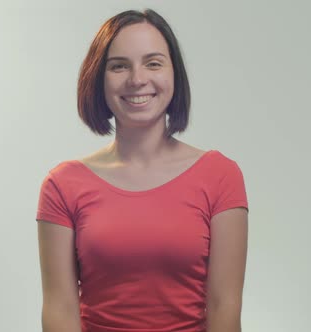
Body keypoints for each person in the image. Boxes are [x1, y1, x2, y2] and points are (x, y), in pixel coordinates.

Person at [36, 8, 249, 332]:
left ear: (174, 74)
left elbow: (225, 307)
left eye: (153, 62)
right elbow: (59, 309)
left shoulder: (221, 176)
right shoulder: (62, 185)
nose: (137, 79)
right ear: (98, 78)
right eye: (119, 66)